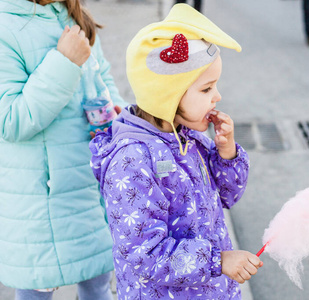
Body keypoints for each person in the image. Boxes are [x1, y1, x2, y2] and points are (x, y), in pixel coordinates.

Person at [89, 4, 262, 299]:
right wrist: (218, 261)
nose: (217, 96)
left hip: (211, 290)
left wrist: (227, 152)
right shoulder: (131, 161)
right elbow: (144, 254)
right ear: (168, 96)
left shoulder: (188, 138)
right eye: (206, 89)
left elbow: (228, 195)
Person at [0, 0, 128, 299]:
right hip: (42, 197)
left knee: (98, 280)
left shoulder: (71, 14)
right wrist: (64, 62)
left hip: (89, 185)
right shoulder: (5, 27)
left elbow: (103, 76)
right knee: (37, 288)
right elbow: (11, 121)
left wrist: (116, 109)